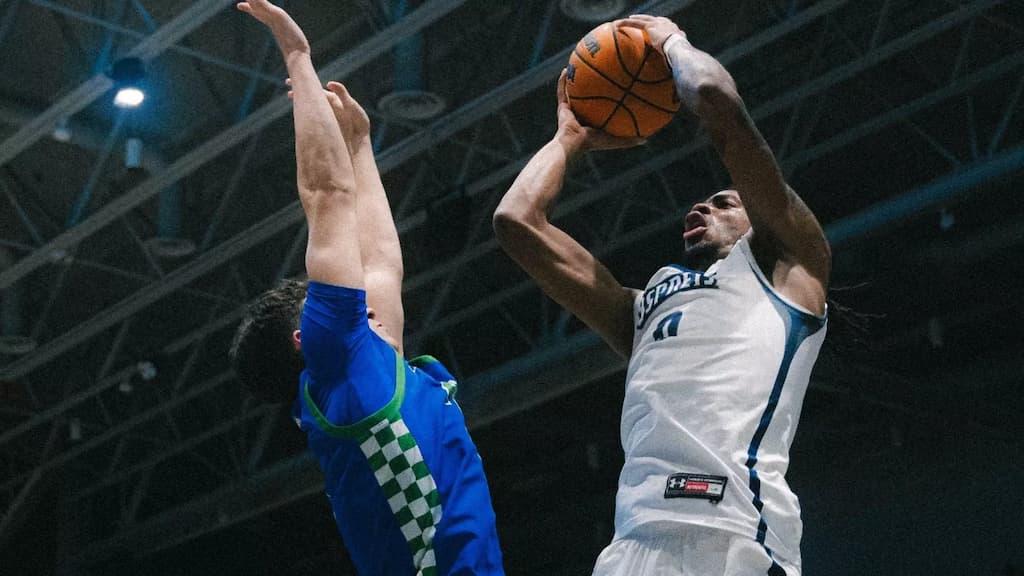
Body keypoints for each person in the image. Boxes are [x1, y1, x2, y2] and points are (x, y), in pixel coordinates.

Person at [493, 14, 830, 576]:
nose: (700, 208)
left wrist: (672, 42)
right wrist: (569, 137)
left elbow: (715, 97)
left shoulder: (791, 263)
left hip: (733, 536)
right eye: (701, 204)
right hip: (631, 547)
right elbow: (515, 221)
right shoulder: (643, 308)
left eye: (725, 202)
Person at [229, 2, 503, 574]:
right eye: (335, 306)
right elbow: (325, 194)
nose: (355, 297)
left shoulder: (369, 382)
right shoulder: (342, 373)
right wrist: (297, 55)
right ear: (310, 339)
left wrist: (360, 147)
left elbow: (381, 263)